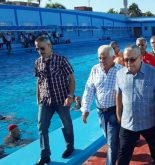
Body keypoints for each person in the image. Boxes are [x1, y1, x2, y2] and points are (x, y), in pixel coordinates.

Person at [115, 45, 155, 165]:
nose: (128, 63)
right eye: (126, 60)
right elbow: (118, 95)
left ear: (141, 57)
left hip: (150, 122)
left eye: (132, 59)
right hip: (128, 124)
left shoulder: (154, 74)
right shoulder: (119, 74)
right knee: (123, 155)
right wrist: (118, 115)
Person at [34, 36, 75, 165]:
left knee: (66, 125)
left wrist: (70, 95)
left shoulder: (61, 60)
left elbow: (71, 79)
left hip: (61, 99)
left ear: (50, 46)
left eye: (42, 48)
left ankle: (70, 147)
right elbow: (39, 81)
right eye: (37, 49)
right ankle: (45, 155)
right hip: (45, 101)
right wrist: (38, 97)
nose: (40, 51)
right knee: (41, 127)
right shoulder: (37, 62)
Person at [81, 45, 122, 165]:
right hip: (101, 113)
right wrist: (86, 109)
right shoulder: (95, 69)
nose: (101, 61)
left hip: (114, 111)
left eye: (104, 58)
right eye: (99, 58)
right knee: (110, 138)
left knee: (111, 141)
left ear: (113, 57)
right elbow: (89, 89)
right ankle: (121, 155)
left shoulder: (120, 71)